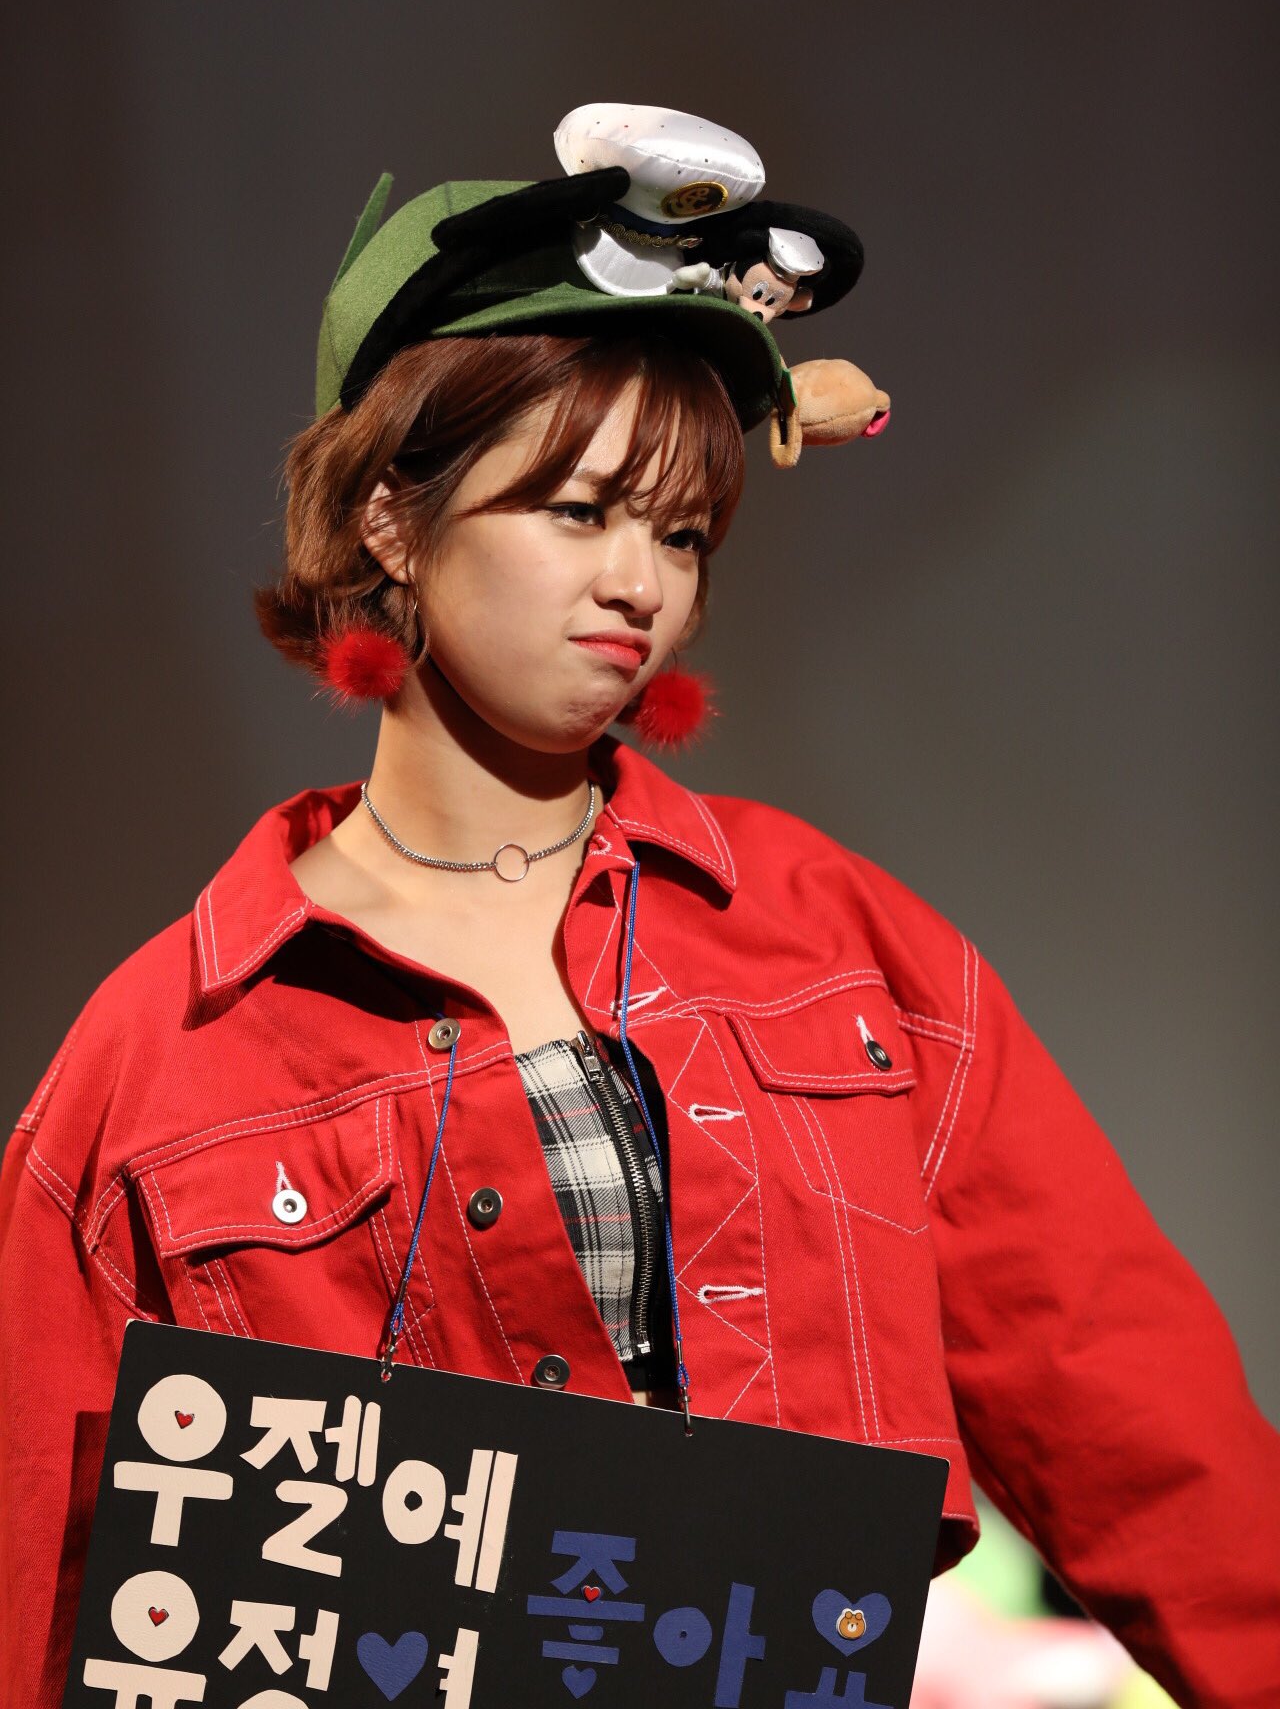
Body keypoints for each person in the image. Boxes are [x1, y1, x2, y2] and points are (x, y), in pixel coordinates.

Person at [2, 111, 1277, 1709]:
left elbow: (1137, 1423)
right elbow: (38, 1590)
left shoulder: (829, 941)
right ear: (391, 515)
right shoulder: (168, 1058)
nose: (642, 585)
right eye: (579, 511)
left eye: (682, 533)